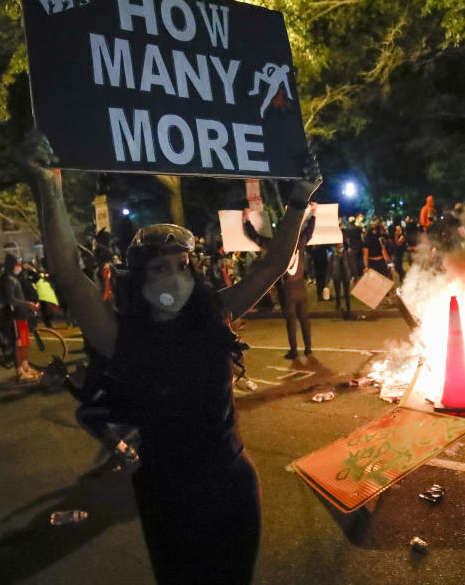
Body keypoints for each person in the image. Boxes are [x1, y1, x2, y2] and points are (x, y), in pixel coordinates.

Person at [22, 130, 321, 584]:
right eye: (161, 268)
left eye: (182, 266)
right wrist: (48, 185)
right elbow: (66, 274)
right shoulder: (119, 335)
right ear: (138, 278)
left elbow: (272, 264)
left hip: (231, 486)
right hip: (167, 495)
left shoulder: (214, 316)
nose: (174, 277)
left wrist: (299, 199)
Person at [277, 206, 316, 359]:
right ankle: (308, 348)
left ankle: (294, 351)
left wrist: (247, 221)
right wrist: (313, 214)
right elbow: (308, 232)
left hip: (288, 289)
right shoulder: (299, 243)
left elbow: (257, 238)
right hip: (301, 286)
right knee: (305, 320)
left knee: (291, 322)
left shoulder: (279, 247)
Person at [0, 254, 42, 382]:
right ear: (12, 265)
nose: (19, 267)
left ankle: (26, 367)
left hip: (22, 315)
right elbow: (11, 299)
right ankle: (20, 371)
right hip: (16, 316)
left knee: (24, 343)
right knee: (18, 344)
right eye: (17, 264)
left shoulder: (13, 278)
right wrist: (27, 304)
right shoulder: (8, 279)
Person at [329, 241, 353, 318]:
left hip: (345, 274)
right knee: (337, 292)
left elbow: (351, 264)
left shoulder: (347, 253)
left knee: (347, 292)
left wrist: (353, 275)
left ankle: (348, 308)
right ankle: (338, 306)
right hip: (337, 274)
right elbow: (330, 266)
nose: (340, 245)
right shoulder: (333, 254)